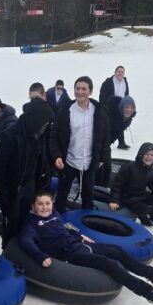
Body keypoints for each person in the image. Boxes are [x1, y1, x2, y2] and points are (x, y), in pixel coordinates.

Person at [18, 191, 153, 305]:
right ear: (33, 206)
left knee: (116, 250)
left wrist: (79, 236)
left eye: (47, 203)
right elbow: (26, 240)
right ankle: (148, 293)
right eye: (40, 204)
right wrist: (40, 256)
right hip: (69, 255)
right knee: (110, 264)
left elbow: (62, 230)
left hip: (79, 245)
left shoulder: (54, 214)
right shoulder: (32, 223)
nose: (44, 207)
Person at [0, 100, 54, 246]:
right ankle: (8, 250)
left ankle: (23, 250)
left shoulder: (38, 135)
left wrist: (44, 180)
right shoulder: (9, 137)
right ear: (35, 120)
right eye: (44, 123)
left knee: (27, 223)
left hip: (30, 186)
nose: (45, 126)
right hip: (13, 190)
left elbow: (41, 160)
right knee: (11, 226)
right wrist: (4, 195)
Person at [50, 76, 110, 214]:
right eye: (77, 88)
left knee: (88, 197)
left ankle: (86, 222)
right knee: (62, 195)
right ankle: (57, 220)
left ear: (90, 91)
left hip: (89, 163)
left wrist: (102, 158)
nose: (80, 92)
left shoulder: (99, 112)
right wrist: (57, 155)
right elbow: (54, 136)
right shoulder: (66, 110)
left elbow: (106, 138)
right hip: (68, 162)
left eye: (84, 89)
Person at [109, 142, 153, 228]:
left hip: (140, 195)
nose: (149, 157)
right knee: (143, 209)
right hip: (126, 197)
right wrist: (114, 200)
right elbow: (117, 185)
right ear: (141, 154)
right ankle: (144, 218)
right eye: (147, 154)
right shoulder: (129, 167)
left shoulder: (152, 172)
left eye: (152, 155)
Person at [99, 65, 131, 149]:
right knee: (109, 125)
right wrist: (103, 106)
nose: (120, 73)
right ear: (115, 72)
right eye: (118, 71)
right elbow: (102, 95)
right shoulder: (108, 82)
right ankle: (105, 142)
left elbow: (126, 94)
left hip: (121, 107)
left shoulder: (125, 82)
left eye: (122, 72)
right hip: (110, 107)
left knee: (120, 124)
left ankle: (121, 143)